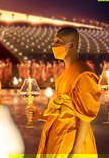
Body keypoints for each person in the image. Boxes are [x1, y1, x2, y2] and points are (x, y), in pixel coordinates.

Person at [28, 27, 101, 157]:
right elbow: (64, 111)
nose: (55, 46)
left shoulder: (83, 73)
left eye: (59, 41)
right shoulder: (65, 74)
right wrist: (40, 116)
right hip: (57, 136)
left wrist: (76, 150)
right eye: (55, 41)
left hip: (72, 140)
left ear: (71, 44)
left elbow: (84, 116)